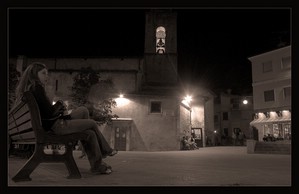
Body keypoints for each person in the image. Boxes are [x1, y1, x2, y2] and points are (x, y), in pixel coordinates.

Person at [14, 62, 118, 175]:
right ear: (34, 74)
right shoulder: (37, 89)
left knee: (83, 110)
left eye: (47, 73)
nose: (47, 76)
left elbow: (46, 113)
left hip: (53, 123)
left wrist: (60, 108)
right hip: (56, 126)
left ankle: (95, 157)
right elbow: (49, 114)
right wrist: (59, 105)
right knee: (91, 126)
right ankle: (104, 153)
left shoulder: (33, 89)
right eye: (43, 73)